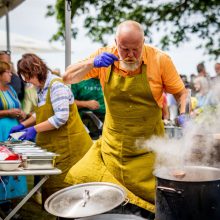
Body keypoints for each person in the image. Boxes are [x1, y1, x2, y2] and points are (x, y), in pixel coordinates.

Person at [62, 20, 188, 218]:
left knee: (162, 202)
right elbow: (67, 77)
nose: (130, 55)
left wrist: (184, 114)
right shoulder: (103, 55)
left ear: (144, 42)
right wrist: (91, 63)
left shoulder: (160, 60)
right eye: (124, 49)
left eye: (135, 49)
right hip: (113, 150)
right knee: (84, 182)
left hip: (149, 152)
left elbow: (181, 93)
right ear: (115, 43)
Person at [9, 53, 93, 204]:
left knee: (69, 195)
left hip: (70, 148)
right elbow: (40, 113)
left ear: (35, 70)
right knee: (56, 195)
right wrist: (23, 125)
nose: (27, 81)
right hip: (57, 148)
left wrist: (33, 130)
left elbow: (60, 117)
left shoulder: (57, 86)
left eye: (28, 77)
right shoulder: (41, 88)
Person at [0, 61, 27, 218]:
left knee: (13, 165)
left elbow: (17, 106)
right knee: (2, 166)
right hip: (0, 130)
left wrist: (21, 114)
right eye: (8, 72)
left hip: (13, 131)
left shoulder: (10, 89)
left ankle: (9, 202)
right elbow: (8, 110)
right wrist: (7, 112)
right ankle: (2, 203)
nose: (11, 74)